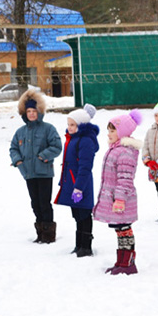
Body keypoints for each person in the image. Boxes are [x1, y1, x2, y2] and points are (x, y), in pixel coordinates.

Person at [10, 89, 62, 243]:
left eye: (34, 111)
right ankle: (39, 232)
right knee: (35, 203)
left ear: (39, 111)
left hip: (44, 173)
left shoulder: (48, 129)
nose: (31, 114)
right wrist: (18, 161)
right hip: (28, 173)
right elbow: (13, 148)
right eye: (29, 111)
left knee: (44, 203)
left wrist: (42, 156)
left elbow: (57, 146)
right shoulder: (20, 132)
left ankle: (48, 235)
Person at [94, 110, 142, 274]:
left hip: (122, 200)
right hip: (116, 199)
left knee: (125, 230)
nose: (109, 134)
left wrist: (119, 199)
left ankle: (128, 263)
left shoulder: (125, 152)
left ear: (122, 133)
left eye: (113, 130)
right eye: (109, 130)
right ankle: (121, 261)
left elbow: (125, 179)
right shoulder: (116, 149)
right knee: (120, 230)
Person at [54, 104, 99, 257]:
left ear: (81, 125)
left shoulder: (85, 141)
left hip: (81, 184)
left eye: (73, 125)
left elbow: (85, 167)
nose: (69, 127)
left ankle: (86, 246)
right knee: (77, 215)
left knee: (84, 214)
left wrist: (79, 188)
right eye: (68, 124)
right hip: (72, 184)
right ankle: (78, 244)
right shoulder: (73, 139)